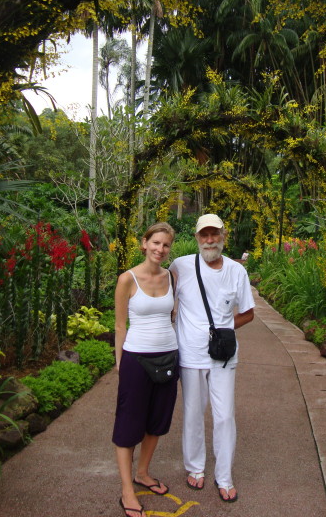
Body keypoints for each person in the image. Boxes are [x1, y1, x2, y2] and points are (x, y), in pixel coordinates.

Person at [170, 214, 255, 503]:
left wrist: (222, 332)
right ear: (197, 238)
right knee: (193, 413)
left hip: (222, 355)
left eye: (214, 235)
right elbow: (165, 299)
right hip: (190, 354)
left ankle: (225, 476)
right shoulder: (180, 266)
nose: (209, 240)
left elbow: (248, 313)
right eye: (204, 235)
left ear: (223, 236)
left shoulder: (236, 271)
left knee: (225, 415)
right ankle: (195, 467)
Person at [112, 222, 178, 517]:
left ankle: (143, 473)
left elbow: (174, 315)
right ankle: (128, 489)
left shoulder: (172, 278)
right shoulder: (127, 279)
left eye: (165, 245)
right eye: (156, 243)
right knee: (129, 425)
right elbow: (119, 325)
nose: (160, 249)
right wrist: (119, 364)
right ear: (144, 243)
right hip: (136, 359)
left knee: (158, 421)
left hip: (168, 357)